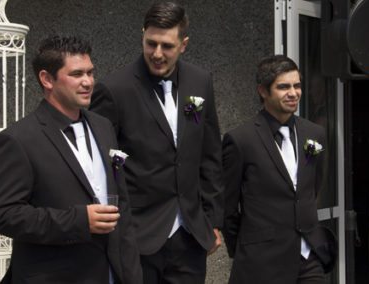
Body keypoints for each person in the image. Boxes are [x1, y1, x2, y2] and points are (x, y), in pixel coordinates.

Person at [0, 35, 142, 284]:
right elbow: (2, 214)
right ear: (47, 79)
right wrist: (78, 221)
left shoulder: (103, 127)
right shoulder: (17, 139)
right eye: (77, 74)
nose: (88, 81)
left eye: (90, 72)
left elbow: (121, 205)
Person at [89, 2, 223, 283]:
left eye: (167, 46)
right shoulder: (115, 89)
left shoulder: (200, 82)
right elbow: (103, 165)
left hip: (191, 236)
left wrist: (212, 220)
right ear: (142, 36)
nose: (157, 54)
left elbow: (209, 155)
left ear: (183, 44)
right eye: (151, 43)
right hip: (139, 236)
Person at [222, 55, 335, 283]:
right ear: (263, 91)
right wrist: (249, 245)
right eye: (283, 87)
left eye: (297, 85)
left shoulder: (315, 134)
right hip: (262, 262)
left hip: (309, 258)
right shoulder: (240, 140)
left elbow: (312, 187)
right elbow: (227, 206)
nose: (293, 93)